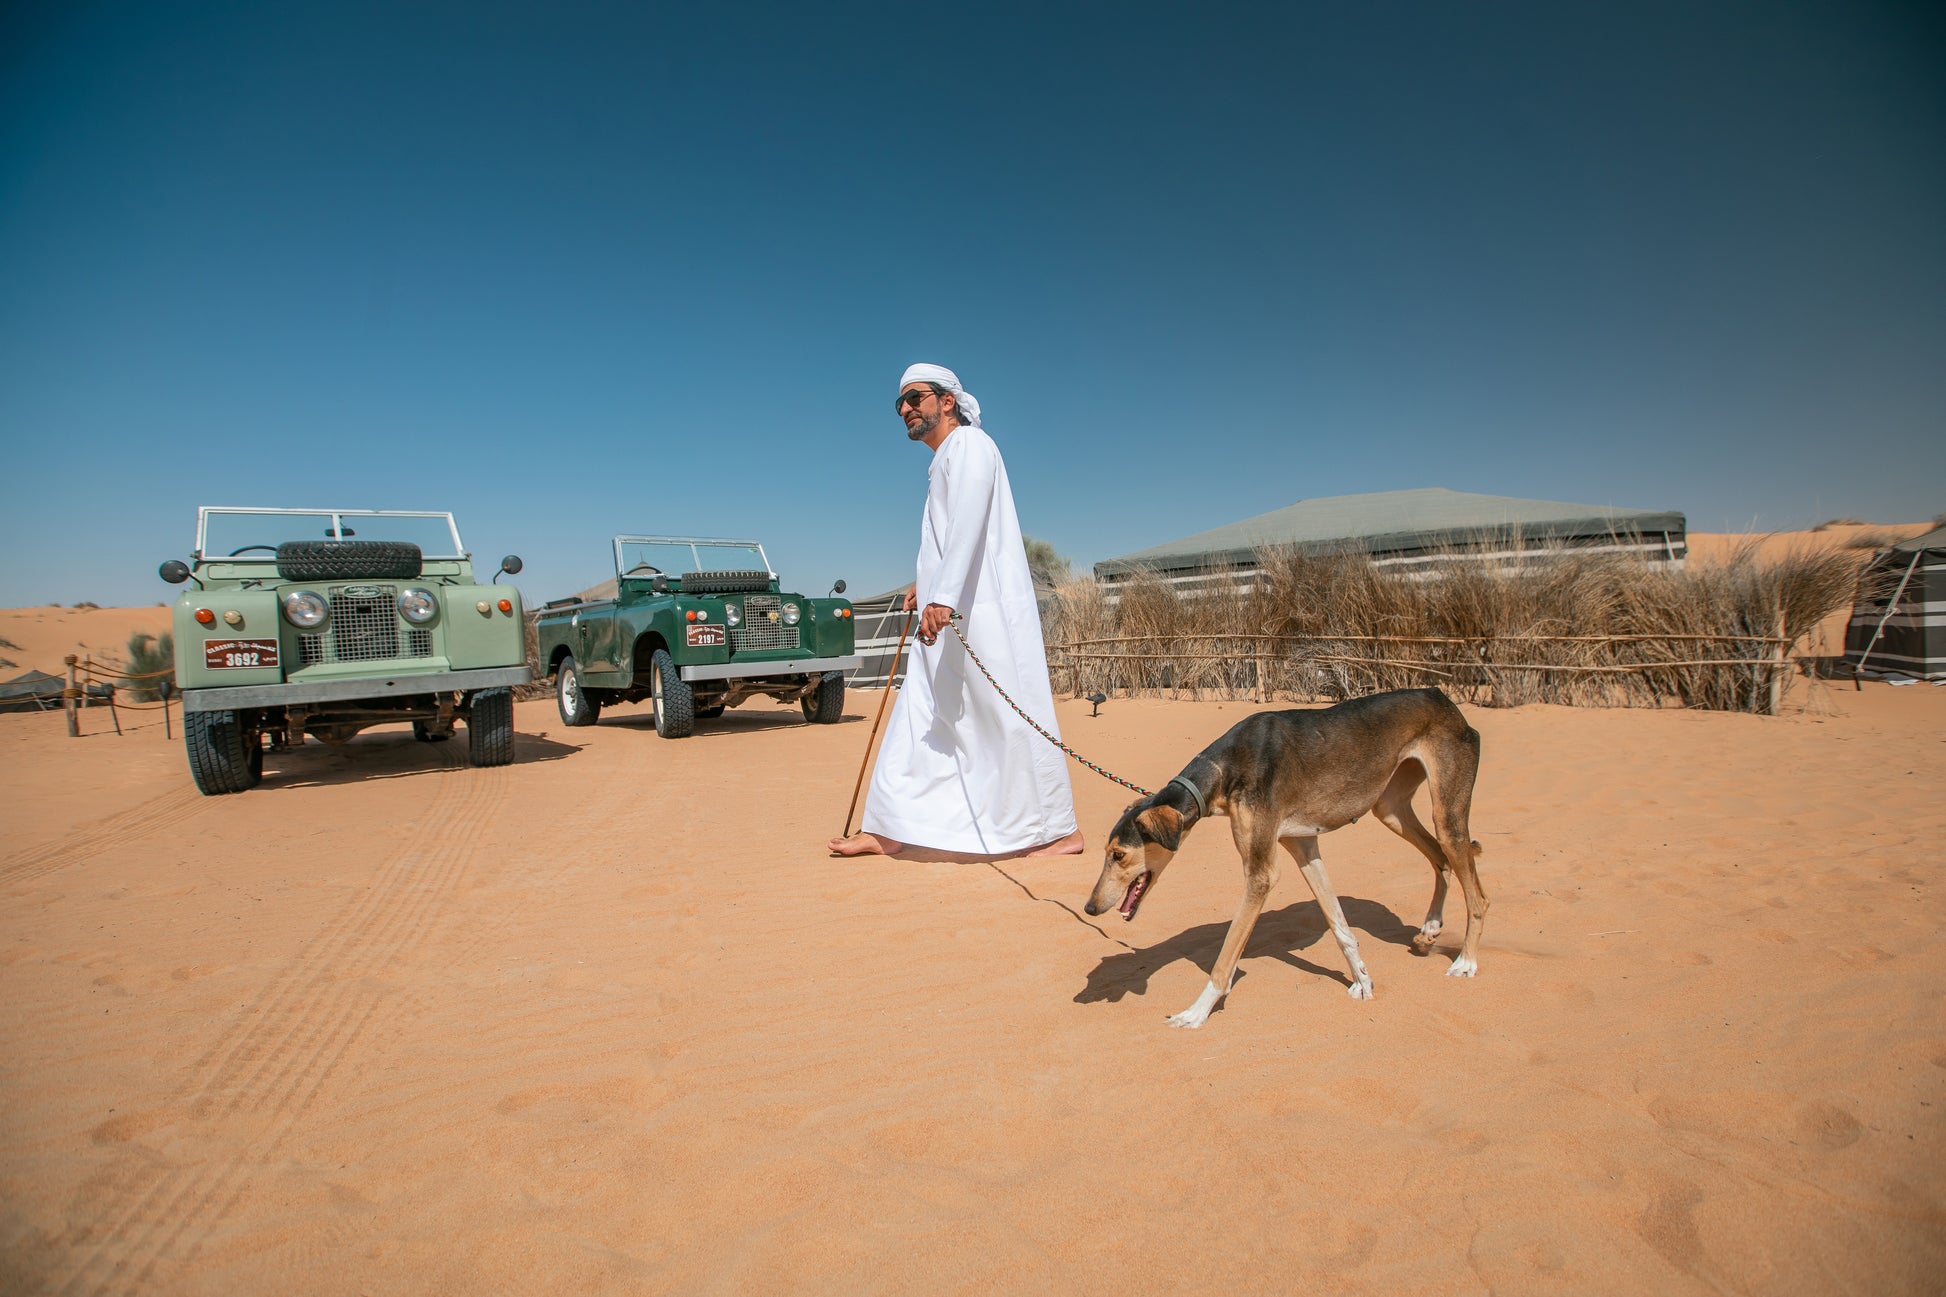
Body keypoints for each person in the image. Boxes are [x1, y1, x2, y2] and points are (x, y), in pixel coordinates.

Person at [829, 364, 1084, 858]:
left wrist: (943, 595)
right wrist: (925, 584)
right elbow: (949, 535)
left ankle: (1059, 830)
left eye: (915, 398)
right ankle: (890, 827)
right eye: (899, 403)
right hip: (944, 610)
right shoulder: (947, 457)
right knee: (919, 711)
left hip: (977, 612)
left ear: (947, 401)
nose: (905, 409)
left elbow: (968, 521)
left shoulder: (969, 446)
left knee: (1003, 715)